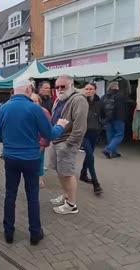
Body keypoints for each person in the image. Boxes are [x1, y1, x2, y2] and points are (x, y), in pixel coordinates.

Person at [0, 80, 67, 245]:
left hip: (11, 158)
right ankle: (35, 233)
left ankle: (8, 233)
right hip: (31, 158)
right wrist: (61, 126)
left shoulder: (3, 108)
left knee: (10, 194)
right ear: (28, 89)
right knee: (32, 196)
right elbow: (49, 134)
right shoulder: (34, 108)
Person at [48, 75, 89, 215]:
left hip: (66, 142)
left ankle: (71, 205)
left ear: (71, 85)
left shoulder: (78, 100)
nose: (59, 89)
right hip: (56, 140)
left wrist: (69, 143)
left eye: (62, 86)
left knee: (67, 173)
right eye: (57, 87)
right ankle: (66, 196)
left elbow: (80, 127)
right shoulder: (60, 99)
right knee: (60, 171)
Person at [80, 83, 104, 194]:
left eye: (91, 89)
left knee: (89, 156)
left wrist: (101, 124)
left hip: (95, 132)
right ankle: (96, 184)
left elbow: (106, 114)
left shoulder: (99, 103)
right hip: (83, 133)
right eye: (87, 89)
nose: (89, 91)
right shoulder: (80, 101)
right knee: (90, 156)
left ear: (95, 90)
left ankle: (83, 174)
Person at [101, 82, 128, 159]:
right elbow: (127, 104)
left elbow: (100, 107)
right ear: (116, 87)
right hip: (118, 118)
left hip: (107, 119)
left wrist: (103, 119)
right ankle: (108, 149)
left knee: (110, 136)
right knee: (119, 135)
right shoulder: (120, 96)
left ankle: (113, 153)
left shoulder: (104, 96)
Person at [30, 94, 52, 188]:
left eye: (35, 101)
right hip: (29, 141)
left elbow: (48, 129)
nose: (33, 103)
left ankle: (40, 178)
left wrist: (43, 143)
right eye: (31, 101)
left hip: (39, 141)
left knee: (40, 160)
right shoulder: (26, 111)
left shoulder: (44, 112)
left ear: (39, 102)